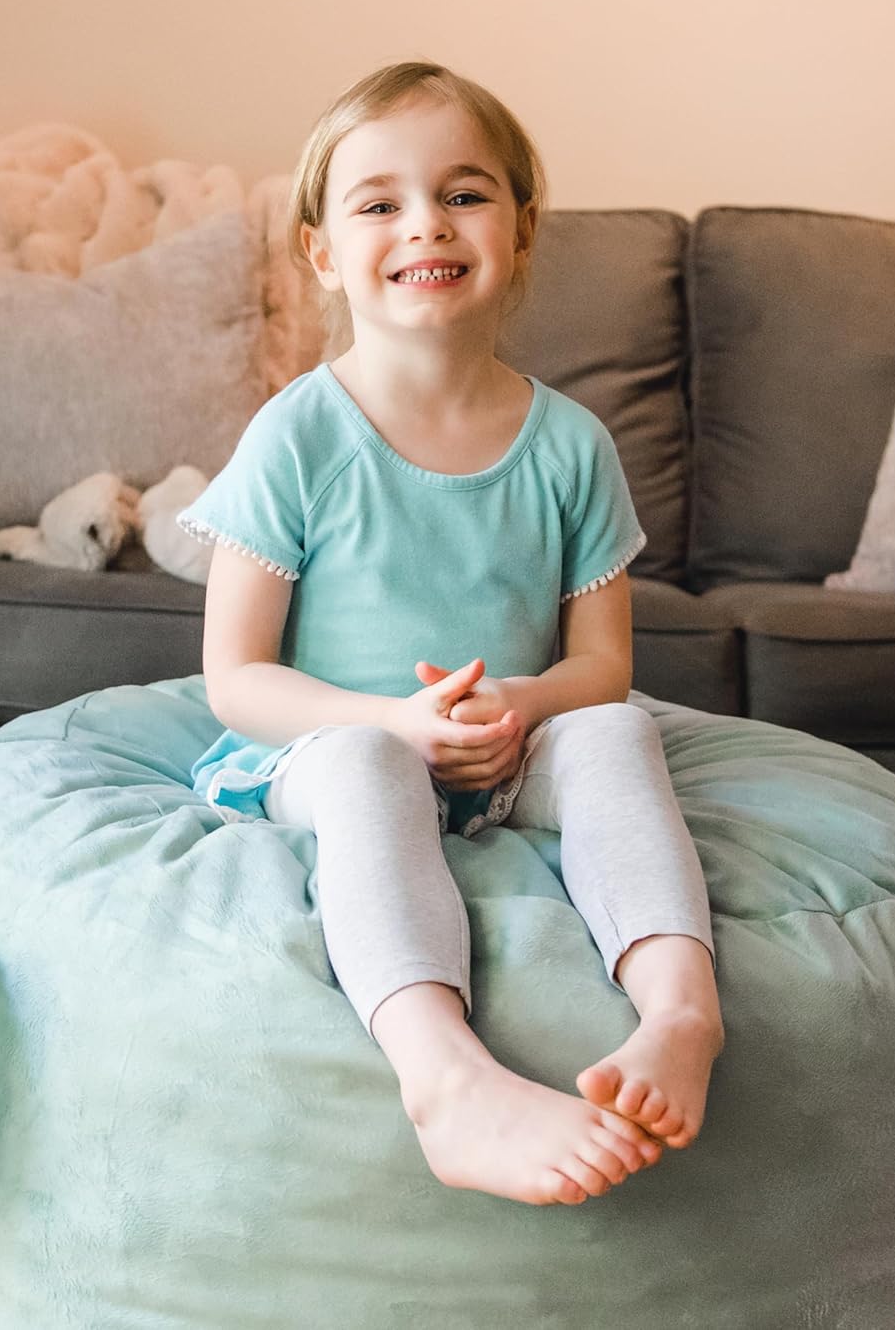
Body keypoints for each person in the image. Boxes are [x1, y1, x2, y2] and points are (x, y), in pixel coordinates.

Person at [176, 60, 722, 1210]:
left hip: (503, 753)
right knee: (368, 765)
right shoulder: (296, 437)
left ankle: (680, 1012)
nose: (426, 222)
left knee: (617, 733)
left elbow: (603, 666)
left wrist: (523, 706)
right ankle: (445, 1079)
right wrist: (394, 722)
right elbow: (236, 678)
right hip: (327, 750)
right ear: (324, 251)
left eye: (464, 194)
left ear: (521, 230)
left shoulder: (571, 446)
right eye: (380, 203)